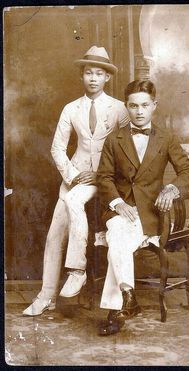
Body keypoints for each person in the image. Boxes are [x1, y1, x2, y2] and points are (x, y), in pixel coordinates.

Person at [23, 46, 129, 316]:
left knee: (77, 203)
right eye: (88, 73)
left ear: (107, 78)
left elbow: (128, 151)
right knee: (55, 232)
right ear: (82, 76)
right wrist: (72, 175)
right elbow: (57, 148)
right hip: (77, 178)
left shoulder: (119, 109)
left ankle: (78, 270)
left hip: (107, 179)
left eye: (99, 74)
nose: (93, 78)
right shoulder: (71, 108)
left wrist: (103, 173)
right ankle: (47, 295)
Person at [96, 79, 189, 335]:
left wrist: (172, 189)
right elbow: (104, 177)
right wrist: (117, 203)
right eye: (132, 106)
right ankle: (127, 297)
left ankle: (120, 306)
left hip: (152, 212)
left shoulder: (166, 137)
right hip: (122, 209)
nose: (139, 111)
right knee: (117, 229)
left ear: (154, 106)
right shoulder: (114, 139)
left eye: (144, 105)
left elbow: (186, 170)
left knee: (116, 240)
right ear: (126, 107)